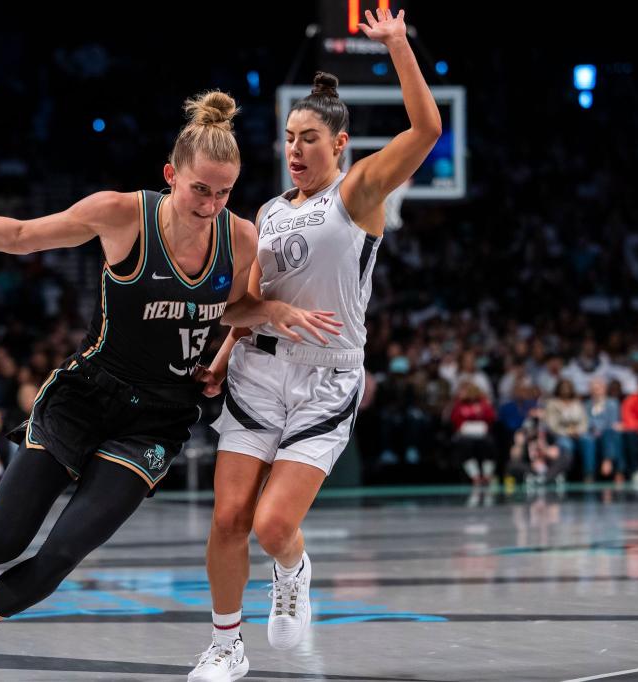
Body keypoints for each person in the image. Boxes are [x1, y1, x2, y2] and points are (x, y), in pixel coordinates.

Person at [0, 91, 338, 682]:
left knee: (63, 554)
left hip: (158, 419)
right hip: (86, 395)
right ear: (170, 175)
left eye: (223, 192)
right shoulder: (121, 214)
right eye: (199, 189)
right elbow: (24, 233)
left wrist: (268, 314)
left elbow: (233, 308)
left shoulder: (238, 239)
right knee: (4, 542)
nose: (211, 204)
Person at [187, 9, 443, 681]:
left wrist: (395, 45)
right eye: (289, 139)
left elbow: (428, 130)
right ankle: (224, 647)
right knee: (228, 519)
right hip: (255, 373)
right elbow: (237, 307)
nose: (295, 150)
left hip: (326, 380)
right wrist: (219, 361)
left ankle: (293, 569)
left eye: (309, 139)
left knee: (273, 527)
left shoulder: (357, 194)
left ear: (341, 145)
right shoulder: (267, 213)